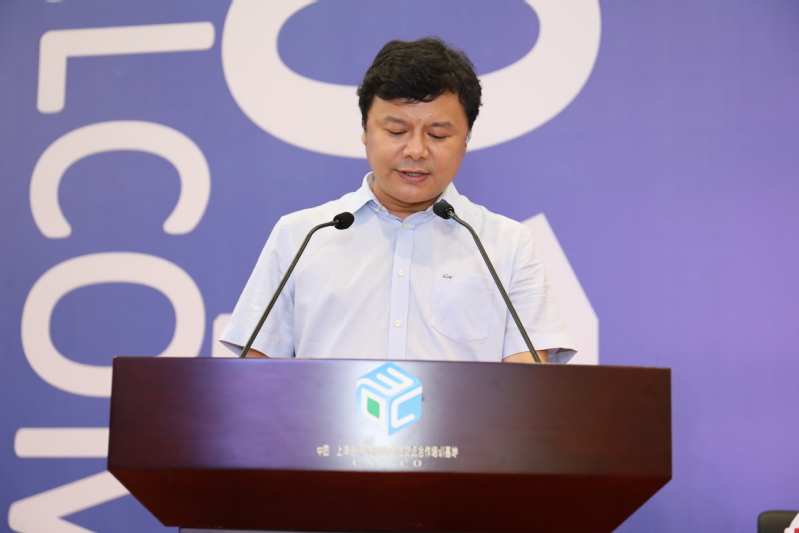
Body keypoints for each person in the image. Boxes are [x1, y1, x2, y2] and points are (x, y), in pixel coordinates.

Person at [220, 37, 575, 364]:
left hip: (460, 420)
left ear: (465, 139)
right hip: (326, 419)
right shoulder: (302, 235)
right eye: (396, 131)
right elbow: (256, 376)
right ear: (365, 131)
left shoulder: (507, 244)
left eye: (438, 134)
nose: (416, 150)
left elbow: (527, 385)